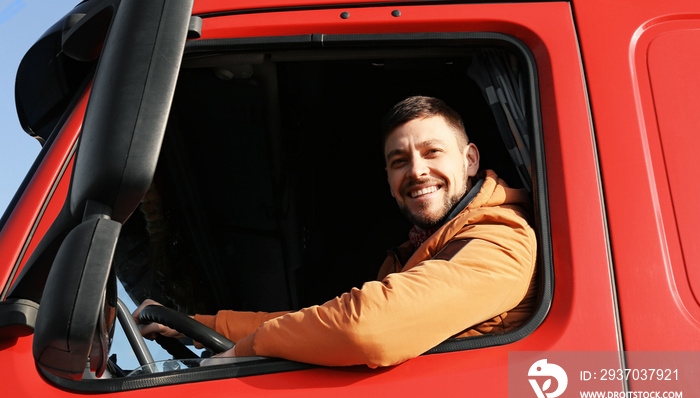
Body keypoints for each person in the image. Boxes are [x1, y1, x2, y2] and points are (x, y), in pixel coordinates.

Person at [135, 96, 538, 368]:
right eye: (399, 161)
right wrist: (198, 325)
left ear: (469, 161)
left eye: (433, 152)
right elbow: (316, 320)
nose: (416, 171)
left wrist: (247, 350)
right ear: (387, 176)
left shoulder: (500, 237)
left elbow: (366, 327)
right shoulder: (416, 251)